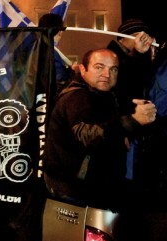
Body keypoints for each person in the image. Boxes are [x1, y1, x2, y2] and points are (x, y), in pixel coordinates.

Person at [42, 48, 157, 210]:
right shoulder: (77, 97)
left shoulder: (102, 94)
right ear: (83, 69)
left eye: (113, 69)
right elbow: (87, 136)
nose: (107, 74)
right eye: (99, 67)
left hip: (90, 185)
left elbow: (106, 123)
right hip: (74, 190)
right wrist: (131, 122)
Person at [106, 19, 156, 185]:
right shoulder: (113, 57)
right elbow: (126, 84)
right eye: (135, 36)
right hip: (121, 122)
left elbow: (145, 80)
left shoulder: (137, 56)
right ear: (121, 39)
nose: (141, 40)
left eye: (144, 36)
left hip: (135, 122)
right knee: (122, 174)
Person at [38, 13, 73, 91]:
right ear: (59, 31)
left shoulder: (35, 47)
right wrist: (73, 72)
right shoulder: (51, 52)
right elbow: (59, 79)